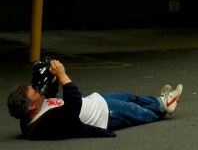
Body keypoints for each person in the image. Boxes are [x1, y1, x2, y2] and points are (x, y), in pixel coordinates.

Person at [7, 59, 183, 140]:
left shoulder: (30, 114)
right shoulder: (45, 124)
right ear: (31, 107)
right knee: (136, 112)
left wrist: (48, 80)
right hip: (104, 114)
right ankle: (162, 106)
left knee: (128, 96)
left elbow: (51, 98)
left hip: (95, 101)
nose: (38, 91)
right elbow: (73, 104)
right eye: (35, 92)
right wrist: (62, 75)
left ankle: (160, 102)